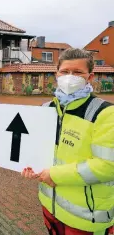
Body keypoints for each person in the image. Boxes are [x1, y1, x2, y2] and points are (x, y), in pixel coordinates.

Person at [21, 48, 114, 235]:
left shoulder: (105, 114)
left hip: (87, 218)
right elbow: (37, 148)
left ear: (90, 76)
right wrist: (30, 166)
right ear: (57, 74)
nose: (70, 77)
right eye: (65, 72)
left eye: (78, 72)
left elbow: (108, 166)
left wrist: (54, 175)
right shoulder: (45, 109)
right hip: (49, 207)